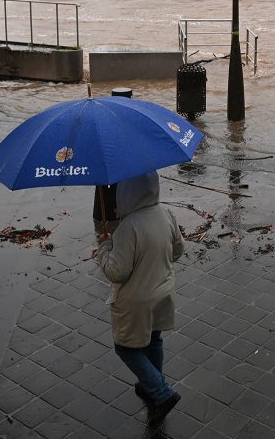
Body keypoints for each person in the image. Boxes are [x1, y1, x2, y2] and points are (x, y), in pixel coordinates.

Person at [97, 171, 184, 426]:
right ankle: (150, 384)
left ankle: (161, 393)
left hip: (137, 302)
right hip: (163, 293)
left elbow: (117, 272)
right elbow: (178, 249)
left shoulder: (128, 227)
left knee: (125, 347)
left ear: (126, 192)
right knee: (153, 339)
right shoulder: (166, 214)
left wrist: (104, 247)